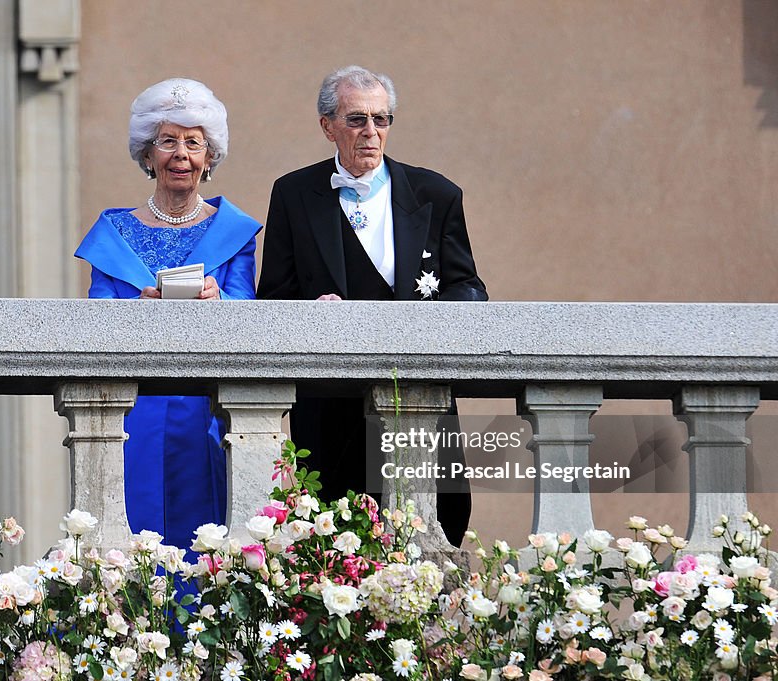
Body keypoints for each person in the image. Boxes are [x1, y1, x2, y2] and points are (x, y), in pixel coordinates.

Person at [257, 65, 487, 547]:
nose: (371, 132)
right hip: (328, 405)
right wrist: (309, 310)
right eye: (357, 119)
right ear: (327, 126)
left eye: (381, 120)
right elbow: (272, 299)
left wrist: (424, 322)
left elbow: (469, 289)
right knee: (330, 548)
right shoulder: (294, 194)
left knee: (433, 536)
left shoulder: (437, 195)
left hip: (418, 397)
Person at [75, 78, 260, 553]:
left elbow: (250, 311)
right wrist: (139, 313)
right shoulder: (113, 232)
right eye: (168, 141)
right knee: (129, 537)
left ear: (209, 156)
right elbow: (97, 318)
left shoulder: (234, 231)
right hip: (131, 410)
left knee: (207, 539)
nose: (182, 154)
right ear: (147, 154)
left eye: (194, 143)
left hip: (208, 408)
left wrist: (220, 304)